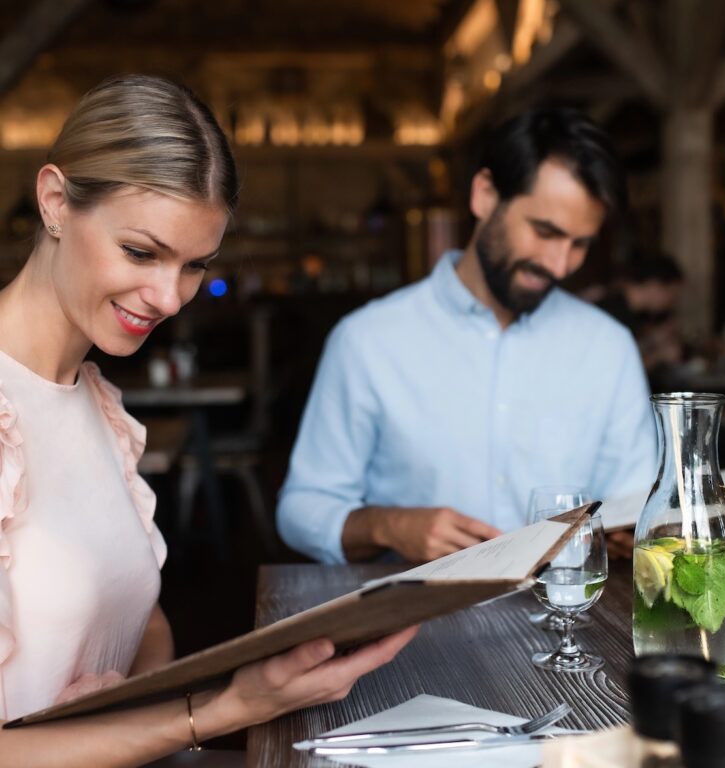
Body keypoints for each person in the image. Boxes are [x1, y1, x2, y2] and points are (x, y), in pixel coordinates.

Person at [0, 74, 416, 765]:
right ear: (54, 202)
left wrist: (129, 708)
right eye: (141, 251)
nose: (168, 297)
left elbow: (142, 623)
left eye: (195, 265)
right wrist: (219, 710)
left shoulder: (95, 403)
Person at [277, 105, 657, 565]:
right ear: (484, 195)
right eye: (544, 231)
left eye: (579, 244)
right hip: (411, 629)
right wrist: (390, 525)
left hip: (569, 625)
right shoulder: (366, 341)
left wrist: (639, 530)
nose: (560, 265)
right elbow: (301, 509)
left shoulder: (608, 349)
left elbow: (638, 502)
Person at [595, 251, 684, 375]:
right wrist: (660, 356)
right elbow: (617, 368)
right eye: (672, 294)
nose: (671, 302)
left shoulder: (627, 309)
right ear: (654, 285)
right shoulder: (614, 312)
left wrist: (653, 339)